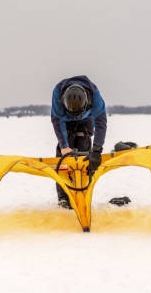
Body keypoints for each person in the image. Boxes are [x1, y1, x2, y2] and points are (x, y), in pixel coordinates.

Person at [51, 75, 107, 209]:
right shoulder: (57, 93)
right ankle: (64, 197)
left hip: (86, 120)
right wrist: (64, 146)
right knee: (64, 160)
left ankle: (83, 192)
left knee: (85, 158)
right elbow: (57, 120)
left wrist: (97, 150)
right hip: (65, 121)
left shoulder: (94, 95)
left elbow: (101, 123)